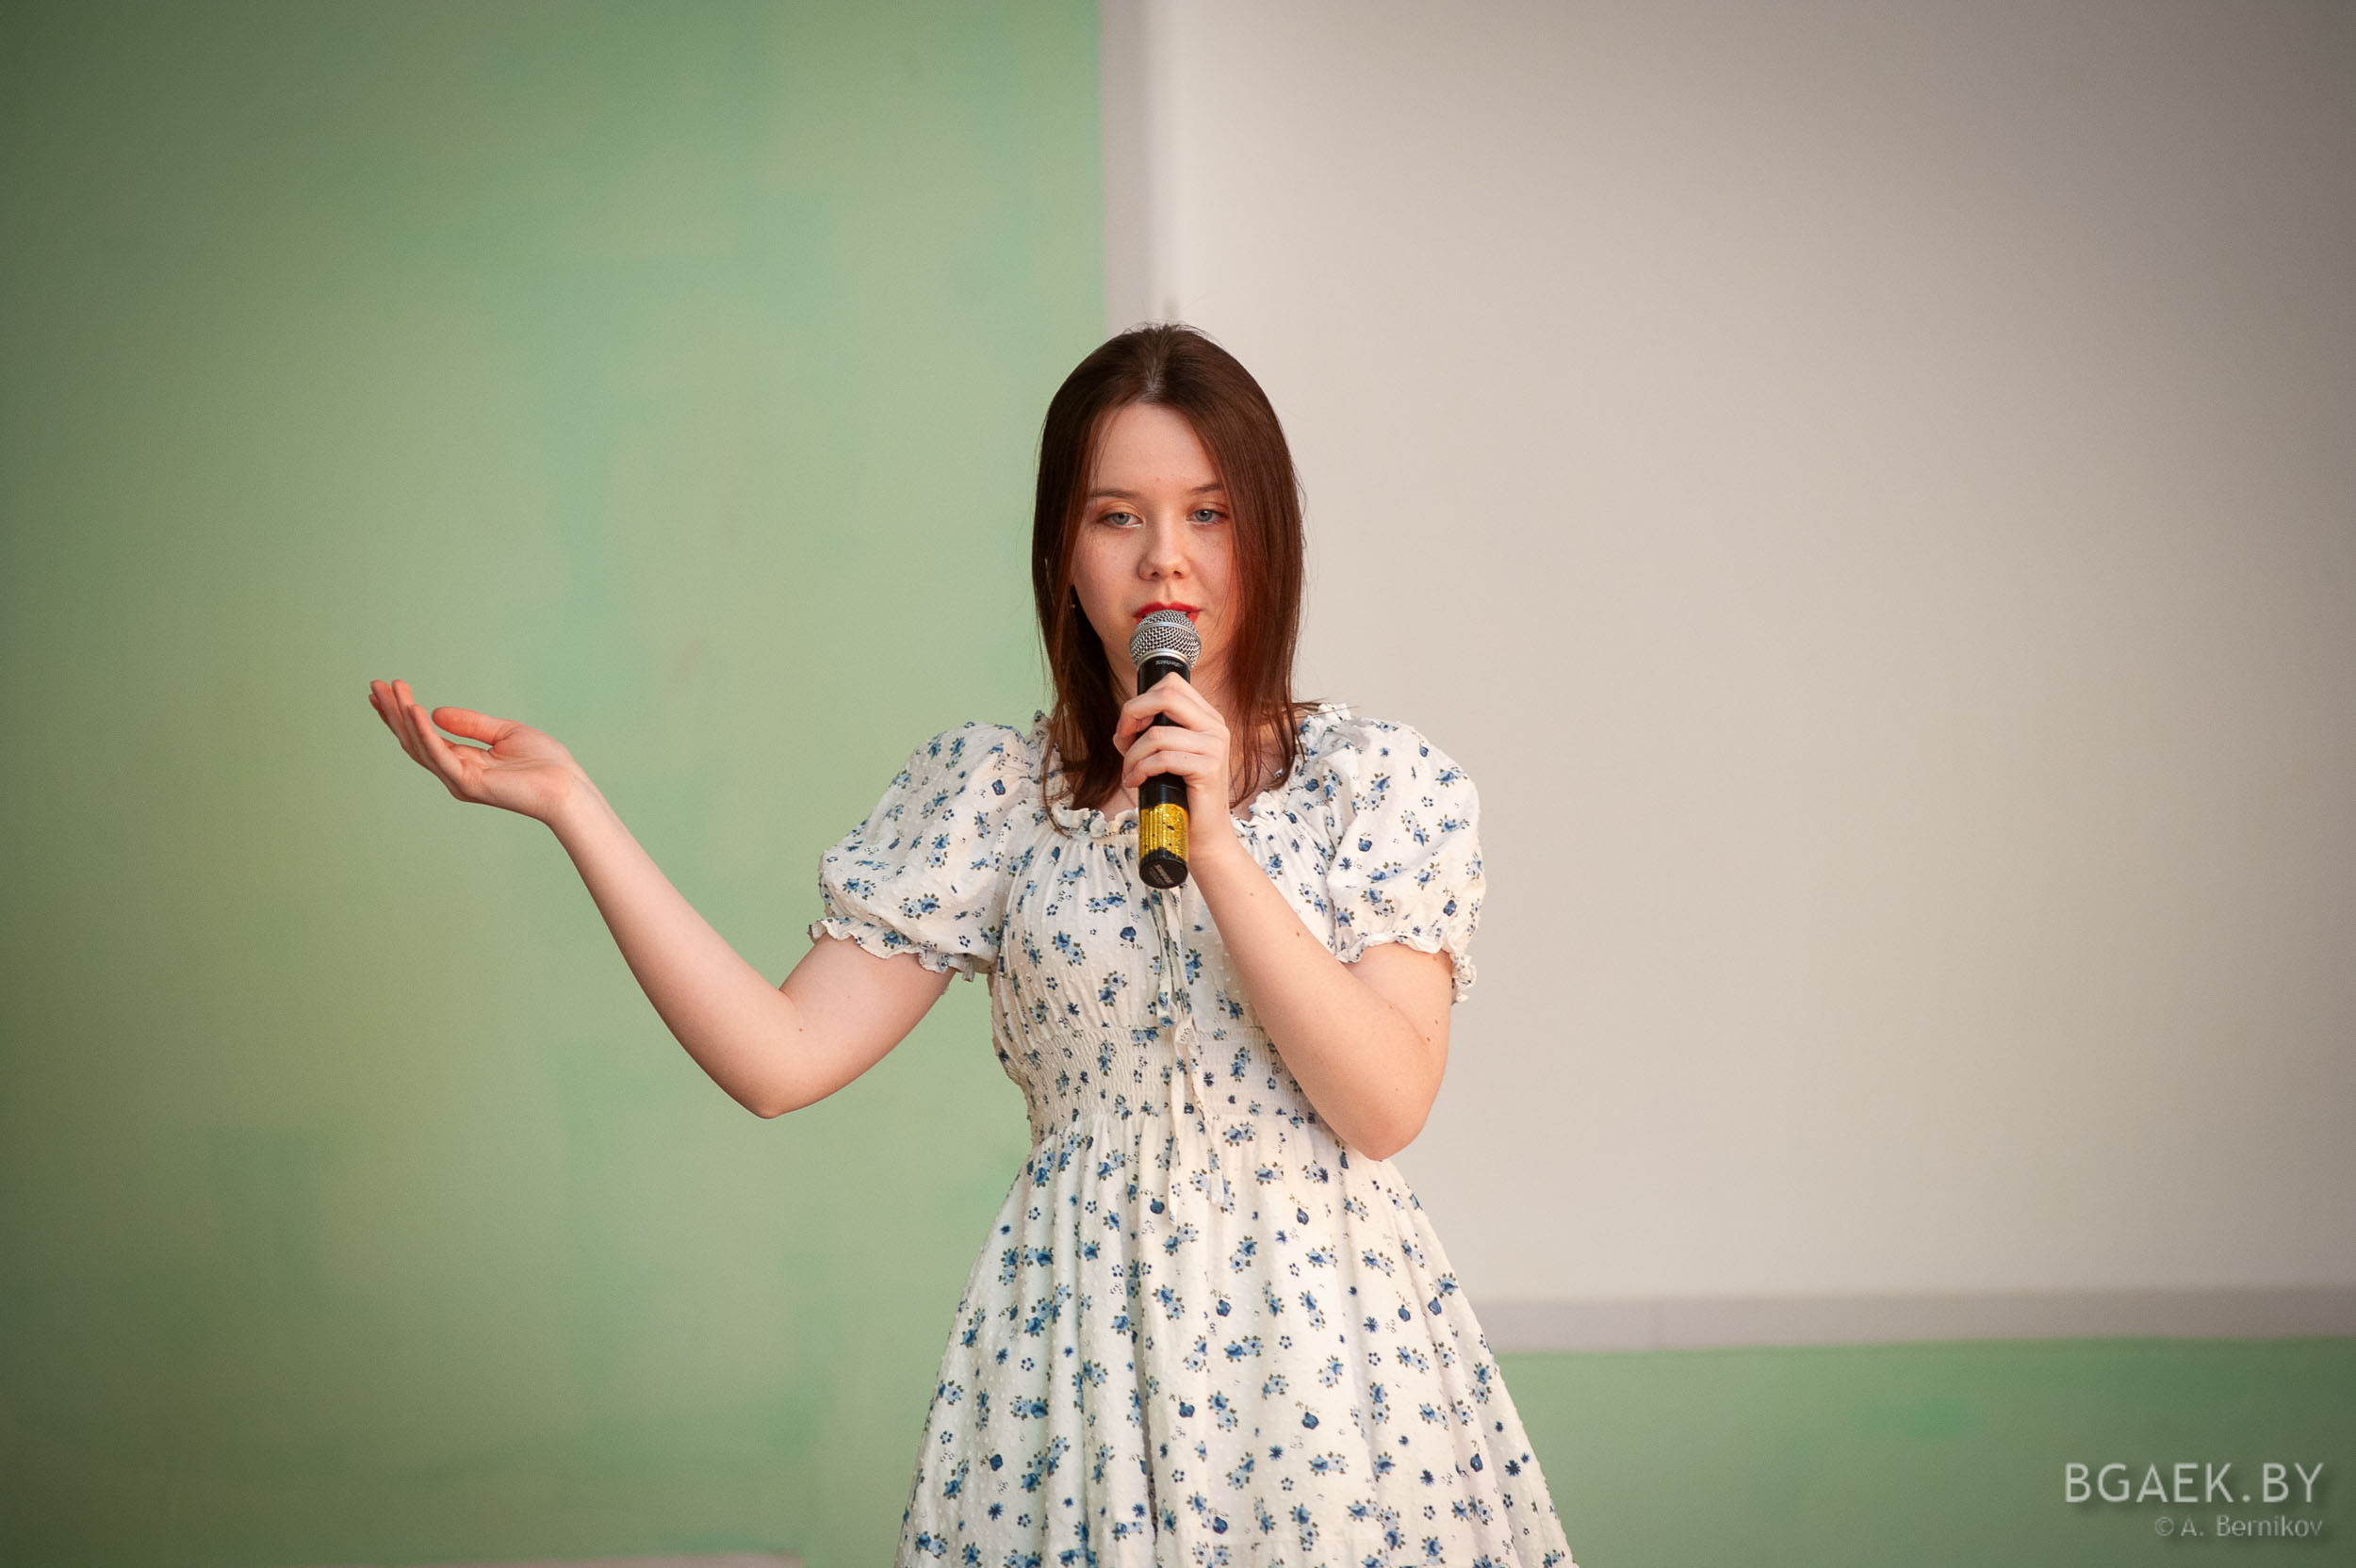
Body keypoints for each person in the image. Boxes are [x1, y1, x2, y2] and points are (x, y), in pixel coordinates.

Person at [368, 324, 1577, 1566]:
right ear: (1063, 554)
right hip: (1077, 1359)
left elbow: (1383, 1102)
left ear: (1270, 536)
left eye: (1210, 513)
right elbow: (778, 1057)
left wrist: (1216, 842)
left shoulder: (1376, 785)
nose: (1165, 557)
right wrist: (577, 808)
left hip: (1327, 1359)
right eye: (1117, 517)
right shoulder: (997, 797)